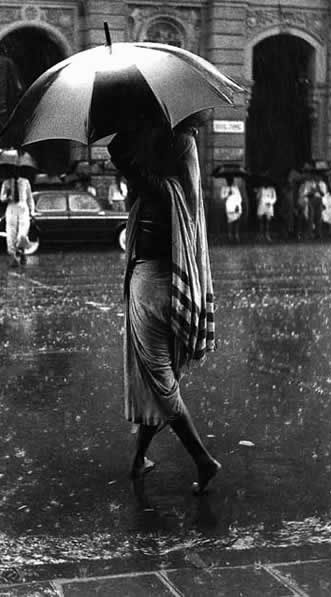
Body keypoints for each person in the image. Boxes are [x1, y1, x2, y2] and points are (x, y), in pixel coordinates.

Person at [108, 116, 220, 495]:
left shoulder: (161, 187)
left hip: (151, 285)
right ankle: (138, 458)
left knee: (159, 379)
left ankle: (203, 460)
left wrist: (126, 141)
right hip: (173, 282)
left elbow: (130, 168)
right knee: (159, 379)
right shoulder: (181, 177)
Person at [0, 173, 36, 266]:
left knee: (23, 233)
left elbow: (29, 197)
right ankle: (13, 255)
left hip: (23, 207)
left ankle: (22, 251)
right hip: (12, 207)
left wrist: (32, 211)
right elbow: (1, 197)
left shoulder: (25, 182)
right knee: (11, 232)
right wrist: (6, 196)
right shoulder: (6, 183)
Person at [221, 175, 243, 242]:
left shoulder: (235, 188)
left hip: (236, 205)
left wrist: (237, 205)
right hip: (229, 206)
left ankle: (236, 235)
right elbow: (222, 197)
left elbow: (239, 197)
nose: (230, 181)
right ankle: (229, 235)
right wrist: (228, 194)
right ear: (227, 181)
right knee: (230, 221)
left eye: (231, 180)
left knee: (237, 220)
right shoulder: (224, 188)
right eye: (229, 180)